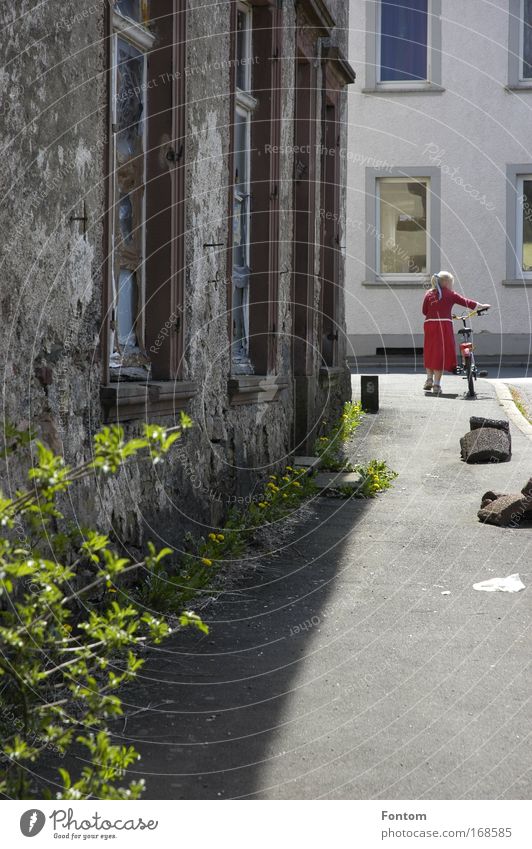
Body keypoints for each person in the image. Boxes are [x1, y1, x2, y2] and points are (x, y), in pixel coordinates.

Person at [422, 271, 490, 395]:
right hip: (443, 325)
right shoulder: (450, 294)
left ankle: (429, 379)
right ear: (447, 283)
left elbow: (424, 311)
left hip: (429, 324)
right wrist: (481, 306)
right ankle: (436, 385)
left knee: (430, 351)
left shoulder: (429, 294)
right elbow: (466, 302)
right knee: (440, 353)